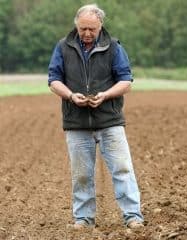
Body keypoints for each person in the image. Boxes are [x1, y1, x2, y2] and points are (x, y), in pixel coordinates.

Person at [47, 4, 144, 230]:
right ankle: (83, 218)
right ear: (76, 26)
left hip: (109, 120)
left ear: (101, 26)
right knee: (81, 174)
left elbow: (126, 81)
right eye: (83, 29)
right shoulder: (63, 47)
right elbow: (53, 80)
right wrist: (71, 96)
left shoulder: (114, 47)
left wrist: (105, 95)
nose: (87, 34)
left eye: (92, 29)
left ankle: (132, 215)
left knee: (122, 169)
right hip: (76, 122)